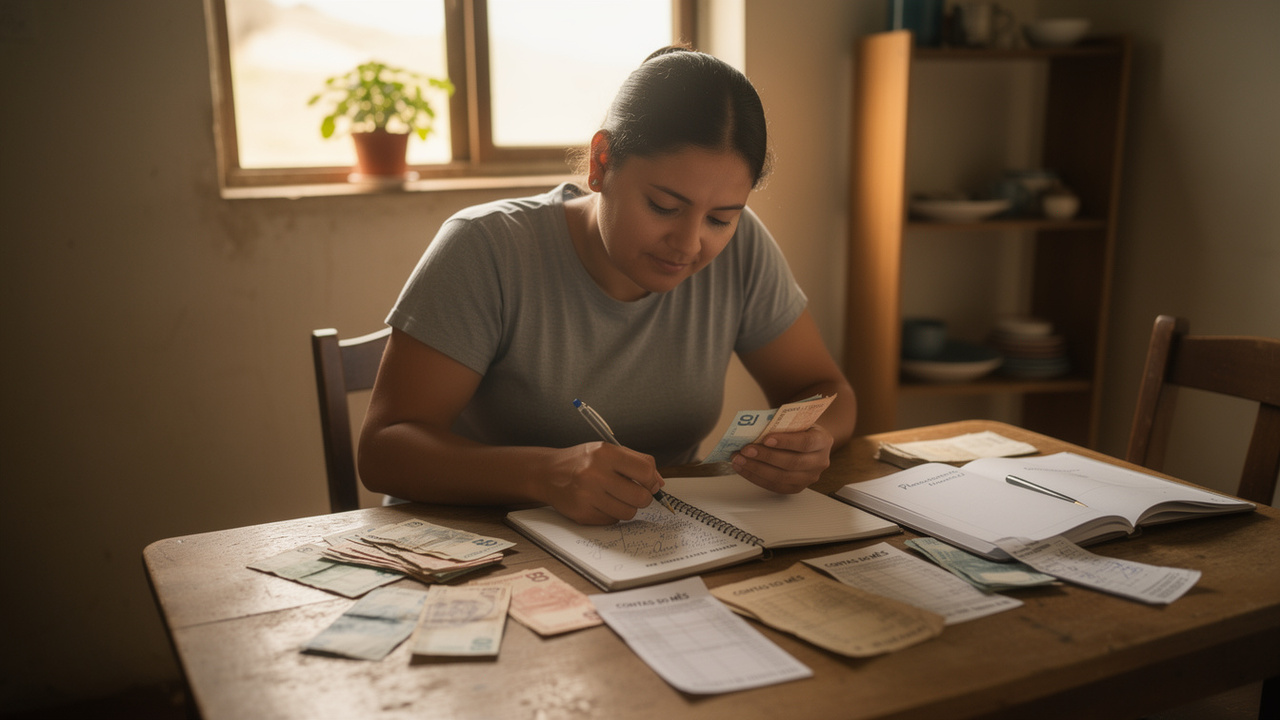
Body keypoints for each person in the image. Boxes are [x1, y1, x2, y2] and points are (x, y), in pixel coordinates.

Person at [358, 46, 856, 525]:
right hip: (478, 549)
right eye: (664, 207)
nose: (688, 243)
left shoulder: (744, 249)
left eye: (721, 219)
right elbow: (385, 449)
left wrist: (815, 440)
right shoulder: (488, 248)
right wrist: (544, 475)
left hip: (657, 546)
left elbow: (827, 391)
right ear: (601, 163)